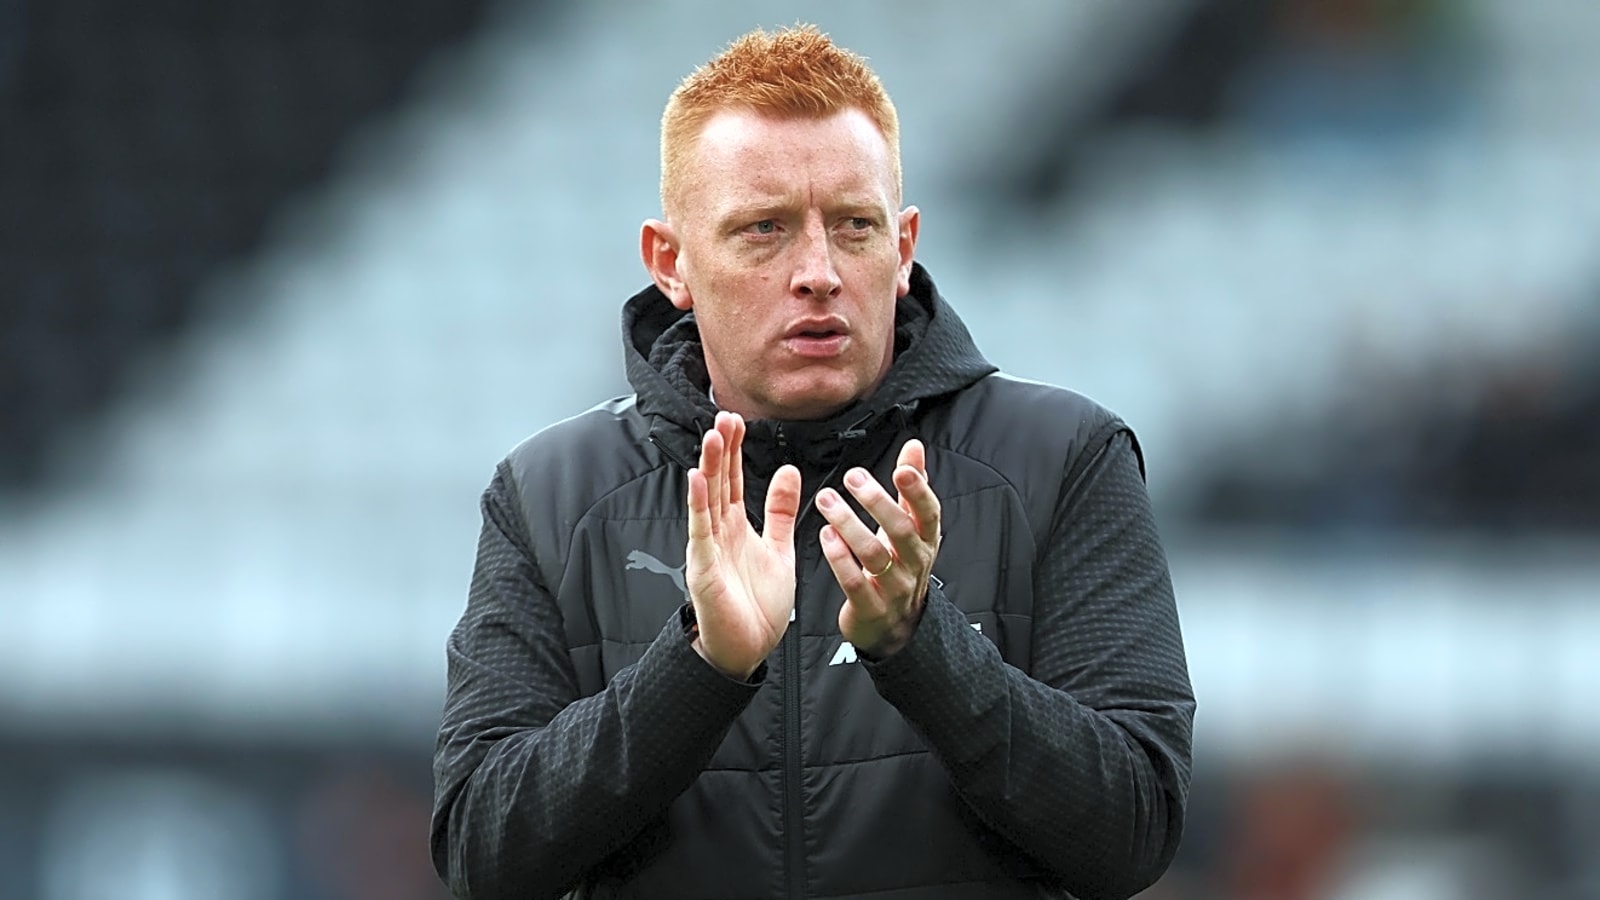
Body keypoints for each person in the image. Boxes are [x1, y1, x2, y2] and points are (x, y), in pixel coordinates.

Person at [431, 24, 1195, 900]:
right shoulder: (550, 495)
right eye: (765, 230)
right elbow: (482, 855)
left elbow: (1135, 832)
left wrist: (922, 646)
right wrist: (698, 668)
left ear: (903, 249)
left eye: (855, 226)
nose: (820, 272)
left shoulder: (1063, 459)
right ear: (671, 262)